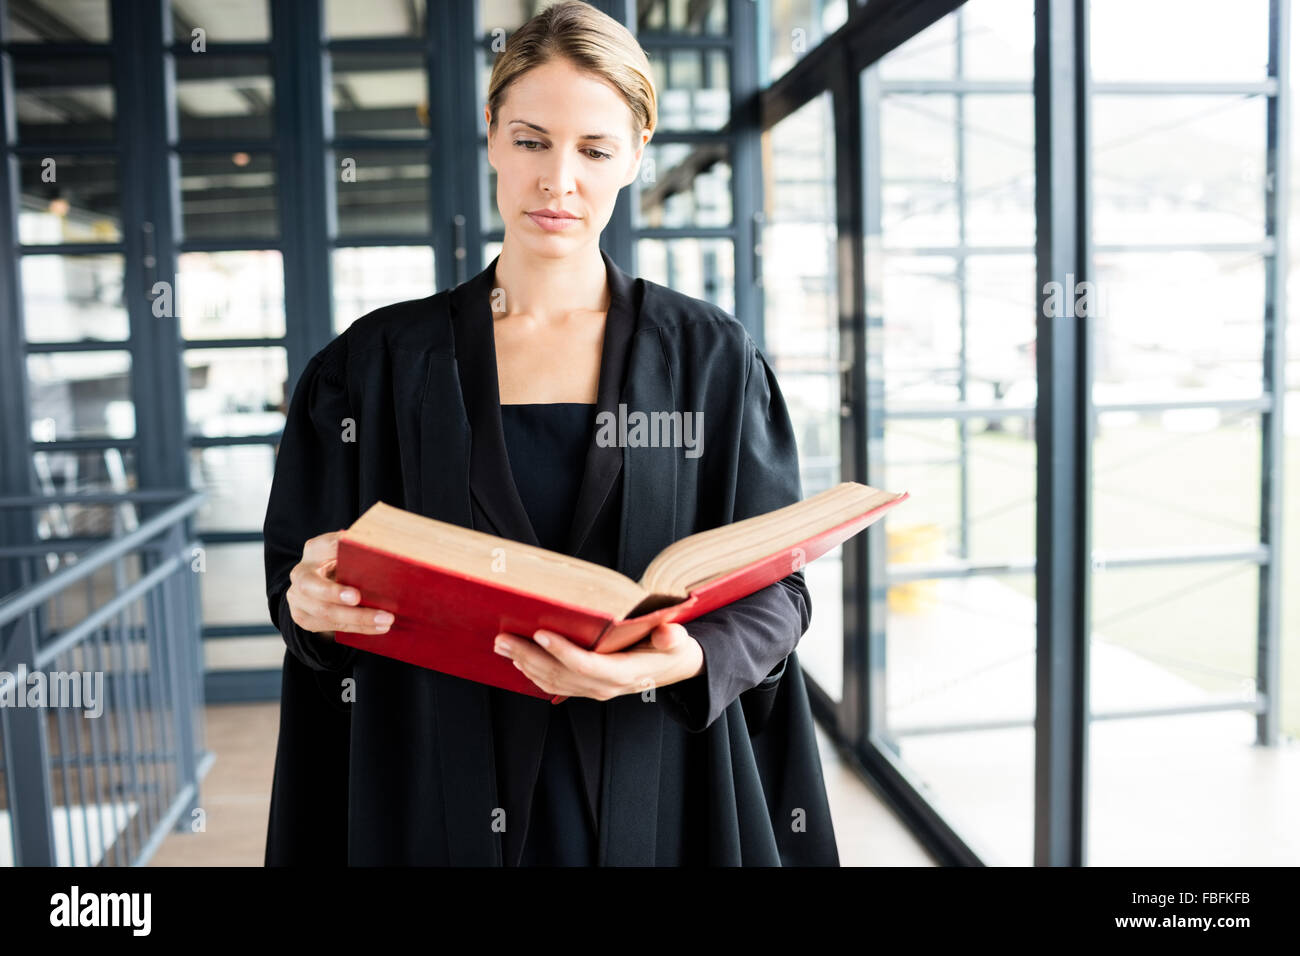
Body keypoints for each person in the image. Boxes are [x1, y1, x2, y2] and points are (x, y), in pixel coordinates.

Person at [263, 0, 837, 866]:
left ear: (636, 156)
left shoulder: (710, 358)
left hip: (656, 783)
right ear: (491, 134)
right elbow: (298, 586)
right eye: (531, 141)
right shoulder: (374, 365)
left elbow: (779, 597)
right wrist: (306, 602)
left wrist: (673, 663)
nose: (557, 181)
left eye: (595, 150)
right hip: (434, 792)